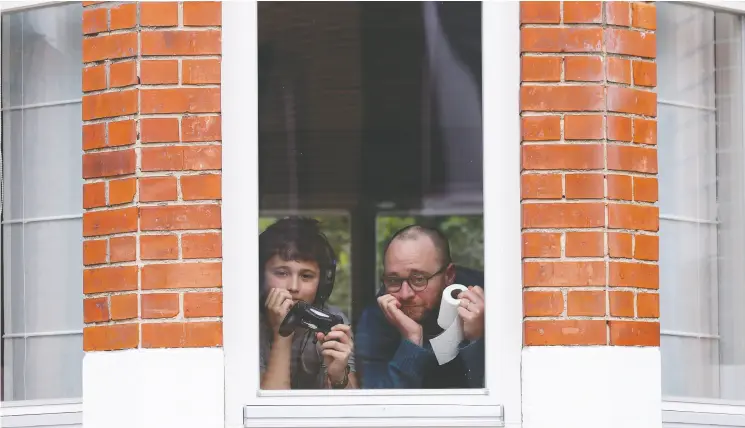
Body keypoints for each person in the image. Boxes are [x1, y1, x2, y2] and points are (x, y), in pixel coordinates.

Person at [355, 224, 485, 389]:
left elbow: (501, 397)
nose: (404, 294)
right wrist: (411, 342)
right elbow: (379, 404)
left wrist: (477, 339)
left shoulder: (481, 301)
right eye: (393, 280)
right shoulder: (376, 315)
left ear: (449, 276)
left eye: (418, 279)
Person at [258, 216, 358, 390]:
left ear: (322, 283)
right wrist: (283, 333)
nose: (293, 287)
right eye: (281, 273)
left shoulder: (332, 321)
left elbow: (352, 410)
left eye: (306, 276)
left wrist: (339, 376)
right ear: (260, 277)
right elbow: (272, 412)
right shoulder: (247, 327)